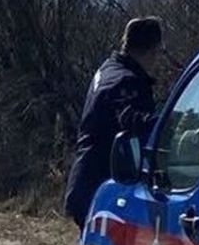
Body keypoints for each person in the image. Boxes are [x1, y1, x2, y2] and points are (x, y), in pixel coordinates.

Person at [63, 17, 164, 230]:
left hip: (88, 180)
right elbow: (132, 120)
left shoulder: (109, 68)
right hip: (101, 187)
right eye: (158, 52)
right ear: (150, 50)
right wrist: (171, 125)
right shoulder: (125, 81)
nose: (158, 59)